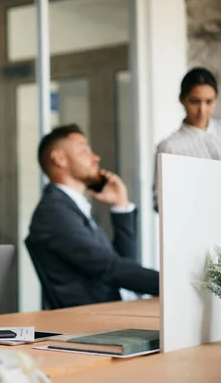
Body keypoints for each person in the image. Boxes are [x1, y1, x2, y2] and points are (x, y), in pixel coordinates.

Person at [27, 124, 159, 308]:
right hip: (93, 325)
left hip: (117, 312)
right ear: (59, 158)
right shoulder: (54, 212)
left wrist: (120, 206)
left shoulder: (71, 207)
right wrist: (171, 285)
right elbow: (108, 267)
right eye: (84, 151)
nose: (95, 158)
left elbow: (122, 262)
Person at [154, 67, 221, 211]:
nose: (202, 110)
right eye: (195, 101)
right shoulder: (170, 146)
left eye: (209, 102)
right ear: (182, 99)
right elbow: (159, 202)